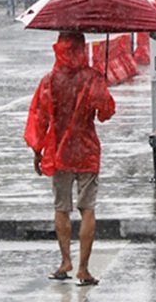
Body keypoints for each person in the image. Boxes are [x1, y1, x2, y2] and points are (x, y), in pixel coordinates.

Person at [25, 31, 116, 286]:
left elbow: (39, 117)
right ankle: (84, 269)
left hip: (59, 152)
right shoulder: (92, 78)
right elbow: (105, 113)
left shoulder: (49, 81)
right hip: (86, 151)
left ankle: (65, 261)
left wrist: (37, 151)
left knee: (61, 208)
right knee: (87, 208)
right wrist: (102, 86)